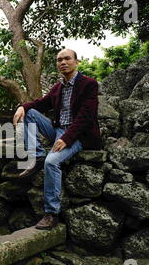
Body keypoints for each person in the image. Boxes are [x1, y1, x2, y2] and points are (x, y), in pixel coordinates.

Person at [13, 48, 101, 230]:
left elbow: (86, 116)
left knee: (51, 162)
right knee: (30, 113)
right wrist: (23, 106)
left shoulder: (89, 84)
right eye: (59, 60)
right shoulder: (57, 87)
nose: (63, 62)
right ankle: (36, 155)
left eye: (67, 59)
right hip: (58, 130)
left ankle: (51, 213)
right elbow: (40, 103)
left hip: (79, 135)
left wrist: (67, 138)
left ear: (76, 62)